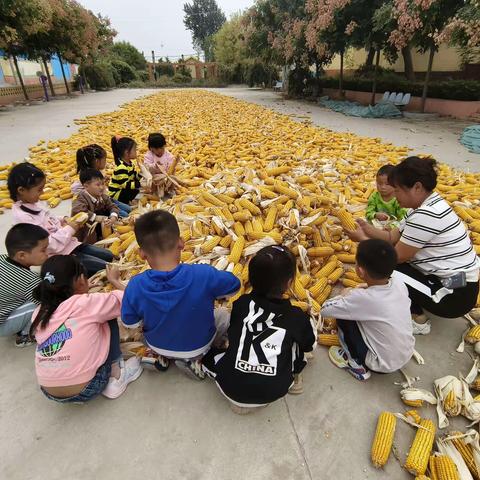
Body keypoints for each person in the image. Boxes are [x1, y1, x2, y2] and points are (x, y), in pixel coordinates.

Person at [347, 156, 480, 335]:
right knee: (391, 264)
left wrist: (363, 240)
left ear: (417, 187)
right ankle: (419, 297)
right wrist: (367, 229)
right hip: (459, 280)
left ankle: (419, 319)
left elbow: (395, 256)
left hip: (456, 293)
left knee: (384, 268)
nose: (393, 195)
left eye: (398, 190)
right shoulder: (421, 206)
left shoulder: (427, 215)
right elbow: (391, 236)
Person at [121, 210, 240, 380]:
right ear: (181, 243)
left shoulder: (135, 284)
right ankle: (196, 360)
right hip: (198, 345)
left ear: (141, 254)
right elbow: (234, 286)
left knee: (148, 327)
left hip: (156, 343)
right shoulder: (203, 274)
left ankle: (157, 356)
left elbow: (131, 323)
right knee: (222, 315)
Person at [202, 245, 316, 414]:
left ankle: (238, 397)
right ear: (290, 283)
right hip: (272, 391)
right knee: (300, 347)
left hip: (229, 386)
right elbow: (309, 345)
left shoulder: (241, 305)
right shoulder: (296, 317)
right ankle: (295, 380)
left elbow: (235, 332)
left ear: (250, 279)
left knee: (212, 355)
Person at [32, 256, 143, 403]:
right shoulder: (87, 304)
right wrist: (114, 281)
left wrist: (81, 292)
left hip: (49, 391)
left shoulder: (39, 312)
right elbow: (131, 299)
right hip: (88, 387)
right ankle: (116, 376)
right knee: (107, 314)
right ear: (80, 280)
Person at [322, 239, 414, 381]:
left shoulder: (363, 299)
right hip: (405, 354)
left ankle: (356, 364)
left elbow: (325, 310)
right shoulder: (399, 284)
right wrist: (363, 287)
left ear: (360, 271)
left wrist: (345, 294)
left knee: (344, 317)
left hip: (380, 364)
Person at [8, 162, 114, 277]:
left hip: (69, 244)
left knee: (108, 255)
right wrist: (71, 228)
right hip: (58, 255)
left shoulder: (33, 203)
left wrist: (64, 219)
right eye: (39, 190)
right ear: (21, 190)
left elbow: (49, 219)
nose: (43, 193)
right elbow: (49, 244)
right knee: (106, 268)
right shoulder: (23, 218)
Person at [0, 224, 49, 347]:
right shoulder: (29, 281)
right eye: (43, 250)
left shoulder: (3, 258)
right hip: (2, 324)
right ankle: (25, 335)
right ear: (21, 255)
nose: (47, 253)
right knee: (44, 304)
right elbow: (53, 301)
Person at [74, 144, 130, 218]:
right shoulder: (87, 178)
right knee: (124, 214)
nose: (106, 162)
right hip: (98, 205)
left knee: (128, 209)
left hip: (105, 199)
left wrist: (103, 182)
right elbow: (76, 191)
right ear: (97, 161)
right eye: (105, 159)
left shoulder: (97, 172)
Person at [71, 169, 119, 244]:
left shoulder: (102, 196)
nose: (102, 187)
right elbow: (77, 210)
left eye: (103, 184)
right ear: (86, 186)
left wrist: (113, 217)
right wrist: (95, 217)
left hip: (100, 230)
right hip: (86, 237)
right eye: (98, 185)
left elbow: (113, 206)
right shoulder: (81, 198)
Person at [108, 136, 141, 206]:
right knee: (131, 190)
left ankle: (130, 200)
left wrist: (141, 174)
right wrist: (139, 184)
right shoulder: (121, 167)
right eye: (135, 150)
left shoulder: (130, 163)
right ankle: (128, 202)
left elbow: (134, 176)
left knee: (136, 189)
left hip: (123, 189)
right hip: (116, 193)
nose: (136, 152)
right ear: (127, 153)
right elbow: (125, 184)